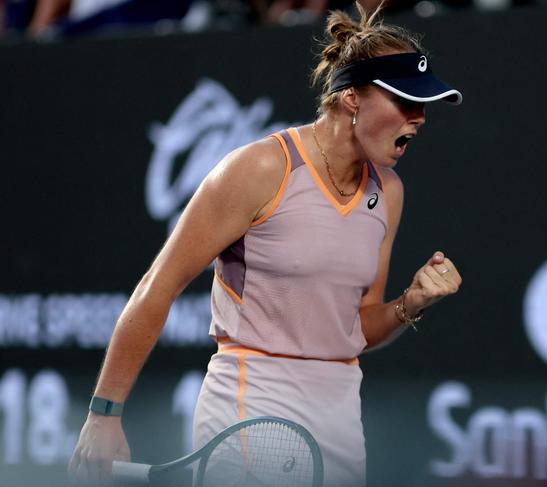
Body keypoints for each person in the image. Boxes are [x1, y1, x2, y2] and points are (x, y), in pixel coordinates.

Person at [68, 1, 463, 486]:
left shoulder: (389, 193)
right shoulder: (260, 170)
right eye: (405, 101)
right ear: (352, 99)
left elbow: (358, 325)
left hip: (340, 414)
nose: (419, 117)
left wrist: (411, 304)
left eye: (423, 104)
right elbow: (160, 284)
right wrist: (105, 412)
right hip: (250, 403)